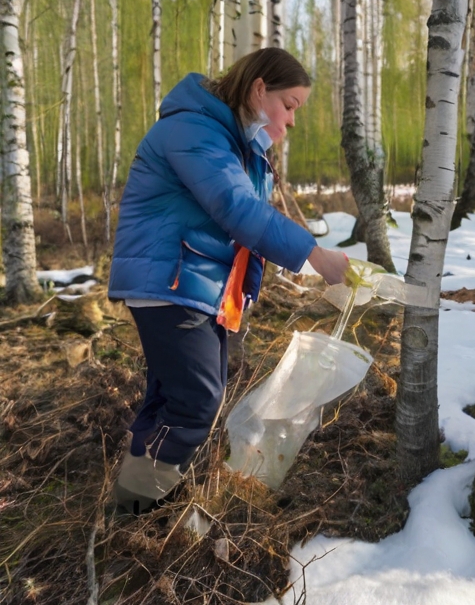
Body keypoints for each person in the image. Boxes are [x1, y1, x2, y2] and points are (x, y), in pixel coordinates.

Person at [108, 48, 349, 514]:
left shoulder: (236, 143)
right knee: (197, 401)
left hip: (195, 285)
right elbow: (238, 211)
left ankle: (140, 497)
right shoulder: (194, 130)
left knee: (176, 396)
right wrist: (313, 254)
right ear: (260, 89)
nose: (292, 121)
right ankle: (139, 507)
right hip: (172, 281)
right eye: (291, 105)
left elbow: (244, 225)